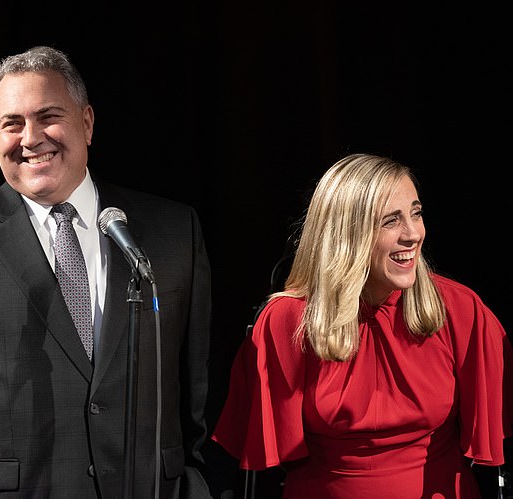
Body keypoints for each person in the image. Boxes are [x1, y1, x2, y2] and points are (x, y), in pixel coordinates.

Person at [0, 46, 213, 499]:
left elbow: (199, 391)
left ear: (88, 123)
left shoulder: (172, 230)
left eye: (48, 116)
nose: (30, 138)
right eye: (11, 124)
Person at [212, 153, 512, 498]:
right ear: (346, 234)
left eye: (416, 213)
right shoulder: (288, 320)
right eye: (390, 221)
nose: (413, 233)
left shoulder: (459, 308)